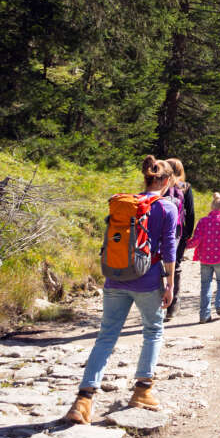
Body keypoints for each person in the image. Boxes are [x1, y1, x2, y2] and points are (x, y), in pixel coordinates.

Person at [64, 156, 180, 424]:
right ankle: (143, 390)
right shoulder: (167, 207)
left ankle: (83, 400)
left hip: (115, 279)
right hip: (147, 280)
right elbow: (169, 250)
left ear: (146, 178)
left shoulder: (124, 204)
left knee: (106, 336)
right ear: (167, 180)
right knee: (152, 331)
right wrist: (170, 285)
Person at [191, 192, 220, 322]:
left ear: (212, 207)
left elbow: (196, 239)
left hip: (205, 258)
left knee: (205, 284)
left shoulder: (203, 221)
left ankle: (204, 315)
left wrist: (185, 245)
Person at [164, 157, 196, 320]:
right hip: (178, 232)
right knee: (175, 266)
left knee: (156, 266)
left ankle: (156, 306)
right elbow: (190, 213)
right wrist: (188, 234)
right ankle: (173, 307)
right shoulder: (185, 187)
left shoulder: (160, 185)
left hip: (159, 231)